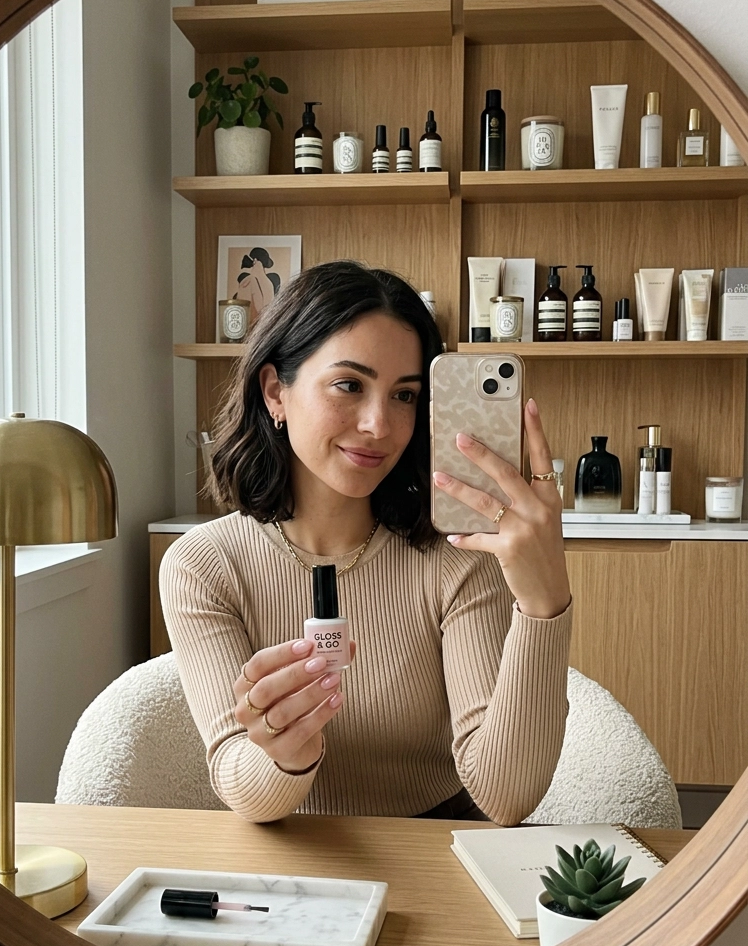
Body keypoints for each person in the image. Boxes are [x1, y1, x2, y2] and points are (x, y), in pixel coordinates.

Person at [160, 261, 572, 823]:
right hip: (291, 866)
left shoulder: (456, 559)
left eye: (405, 396)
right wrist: (287, 755)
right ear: (276, 390)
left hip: (437, 855)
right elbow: (242, 788)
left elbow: (506, 800)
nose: (380, 424)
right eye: (349, 385)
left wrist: (543, 604)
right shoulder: (203, 566)